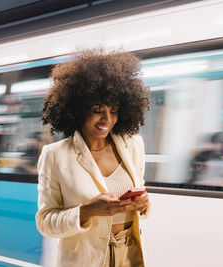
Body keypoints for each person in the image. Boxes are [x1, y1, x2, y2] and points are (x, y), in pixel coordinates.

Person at [35, 48, 150, 267]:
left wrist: (143, 204)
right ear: (78, 110)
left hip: (128, 255)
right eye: (98, 109)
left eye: (113, 110)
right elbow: (45, 222)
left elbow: (141, 197)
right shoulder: (55, 155)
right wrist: (88, 210)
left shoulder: (133, 146)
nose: (107, 118)